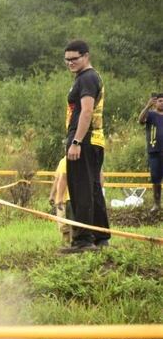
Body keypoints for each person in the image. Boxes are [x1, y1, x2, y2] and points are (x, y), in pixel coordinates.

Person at [62, 40, 111, 252]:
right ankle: (101, 237)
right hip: (92, 140)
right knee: (92, 189)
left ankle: (83, 239)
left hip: (84, 140)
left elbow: (87, 111)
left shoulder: (88, 78)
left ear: (86, 56)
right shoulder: (87, 77)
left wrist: (76, 142)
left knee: (81, 188)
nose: (70, 63)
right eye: (67, 60)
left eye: (75, 58)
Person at [138, 93, 163, 211]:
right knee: (156, 178)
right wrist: (147, 106)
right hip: (154, 151)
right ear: (155, 102)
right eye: (159, 101)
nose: (161, 102)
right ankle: (157, 204)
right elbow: (140, 120)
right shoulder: (151, 114)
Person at [48, 156, 71, 244]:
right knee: (63, 225)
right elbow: (57, 179)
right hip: (61, 200)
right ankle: (66, 244)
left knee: (73, 224)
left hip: (71, 199)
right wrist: (52, 195)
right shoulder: (62, 161)